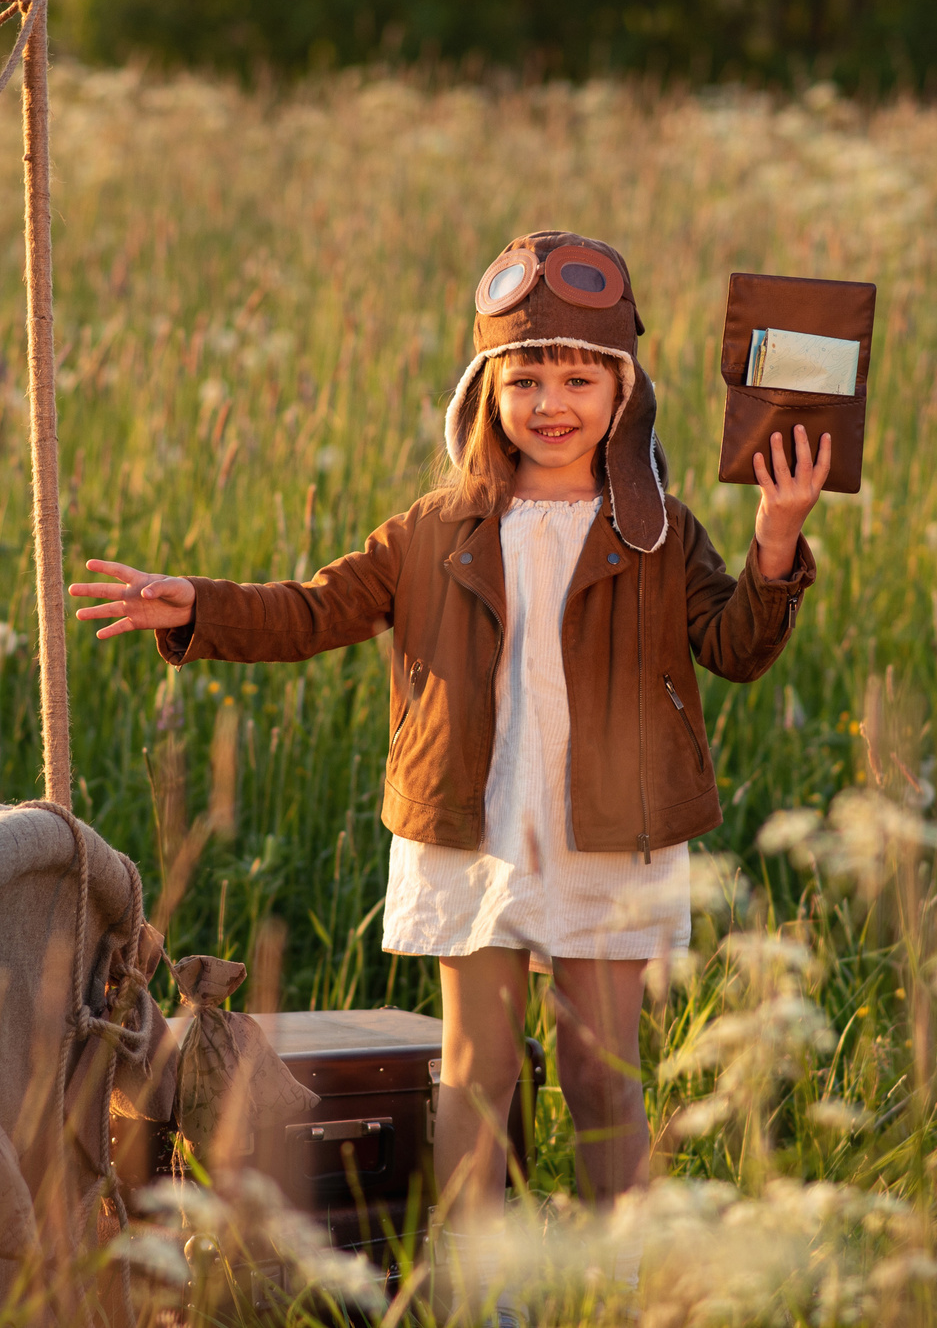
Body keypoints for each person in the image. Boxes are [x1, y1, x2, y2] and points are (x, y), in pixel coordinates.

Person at [70, 231, 829, 1300]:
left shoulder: (660, 534)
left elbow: (740, 648)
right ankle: (487, 1293)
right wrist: (200, 603)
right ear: (486, 387)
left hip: (613, 834)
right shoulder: (433, 528)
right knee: (473, 1075)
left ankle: (627, 1286)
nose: (552, 401)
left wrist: (777, 541)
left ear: (624, 394)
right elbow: (313, 607)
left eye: (579, 377)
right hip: (470, 835)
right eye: (526, 377)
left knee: (597, 1074)